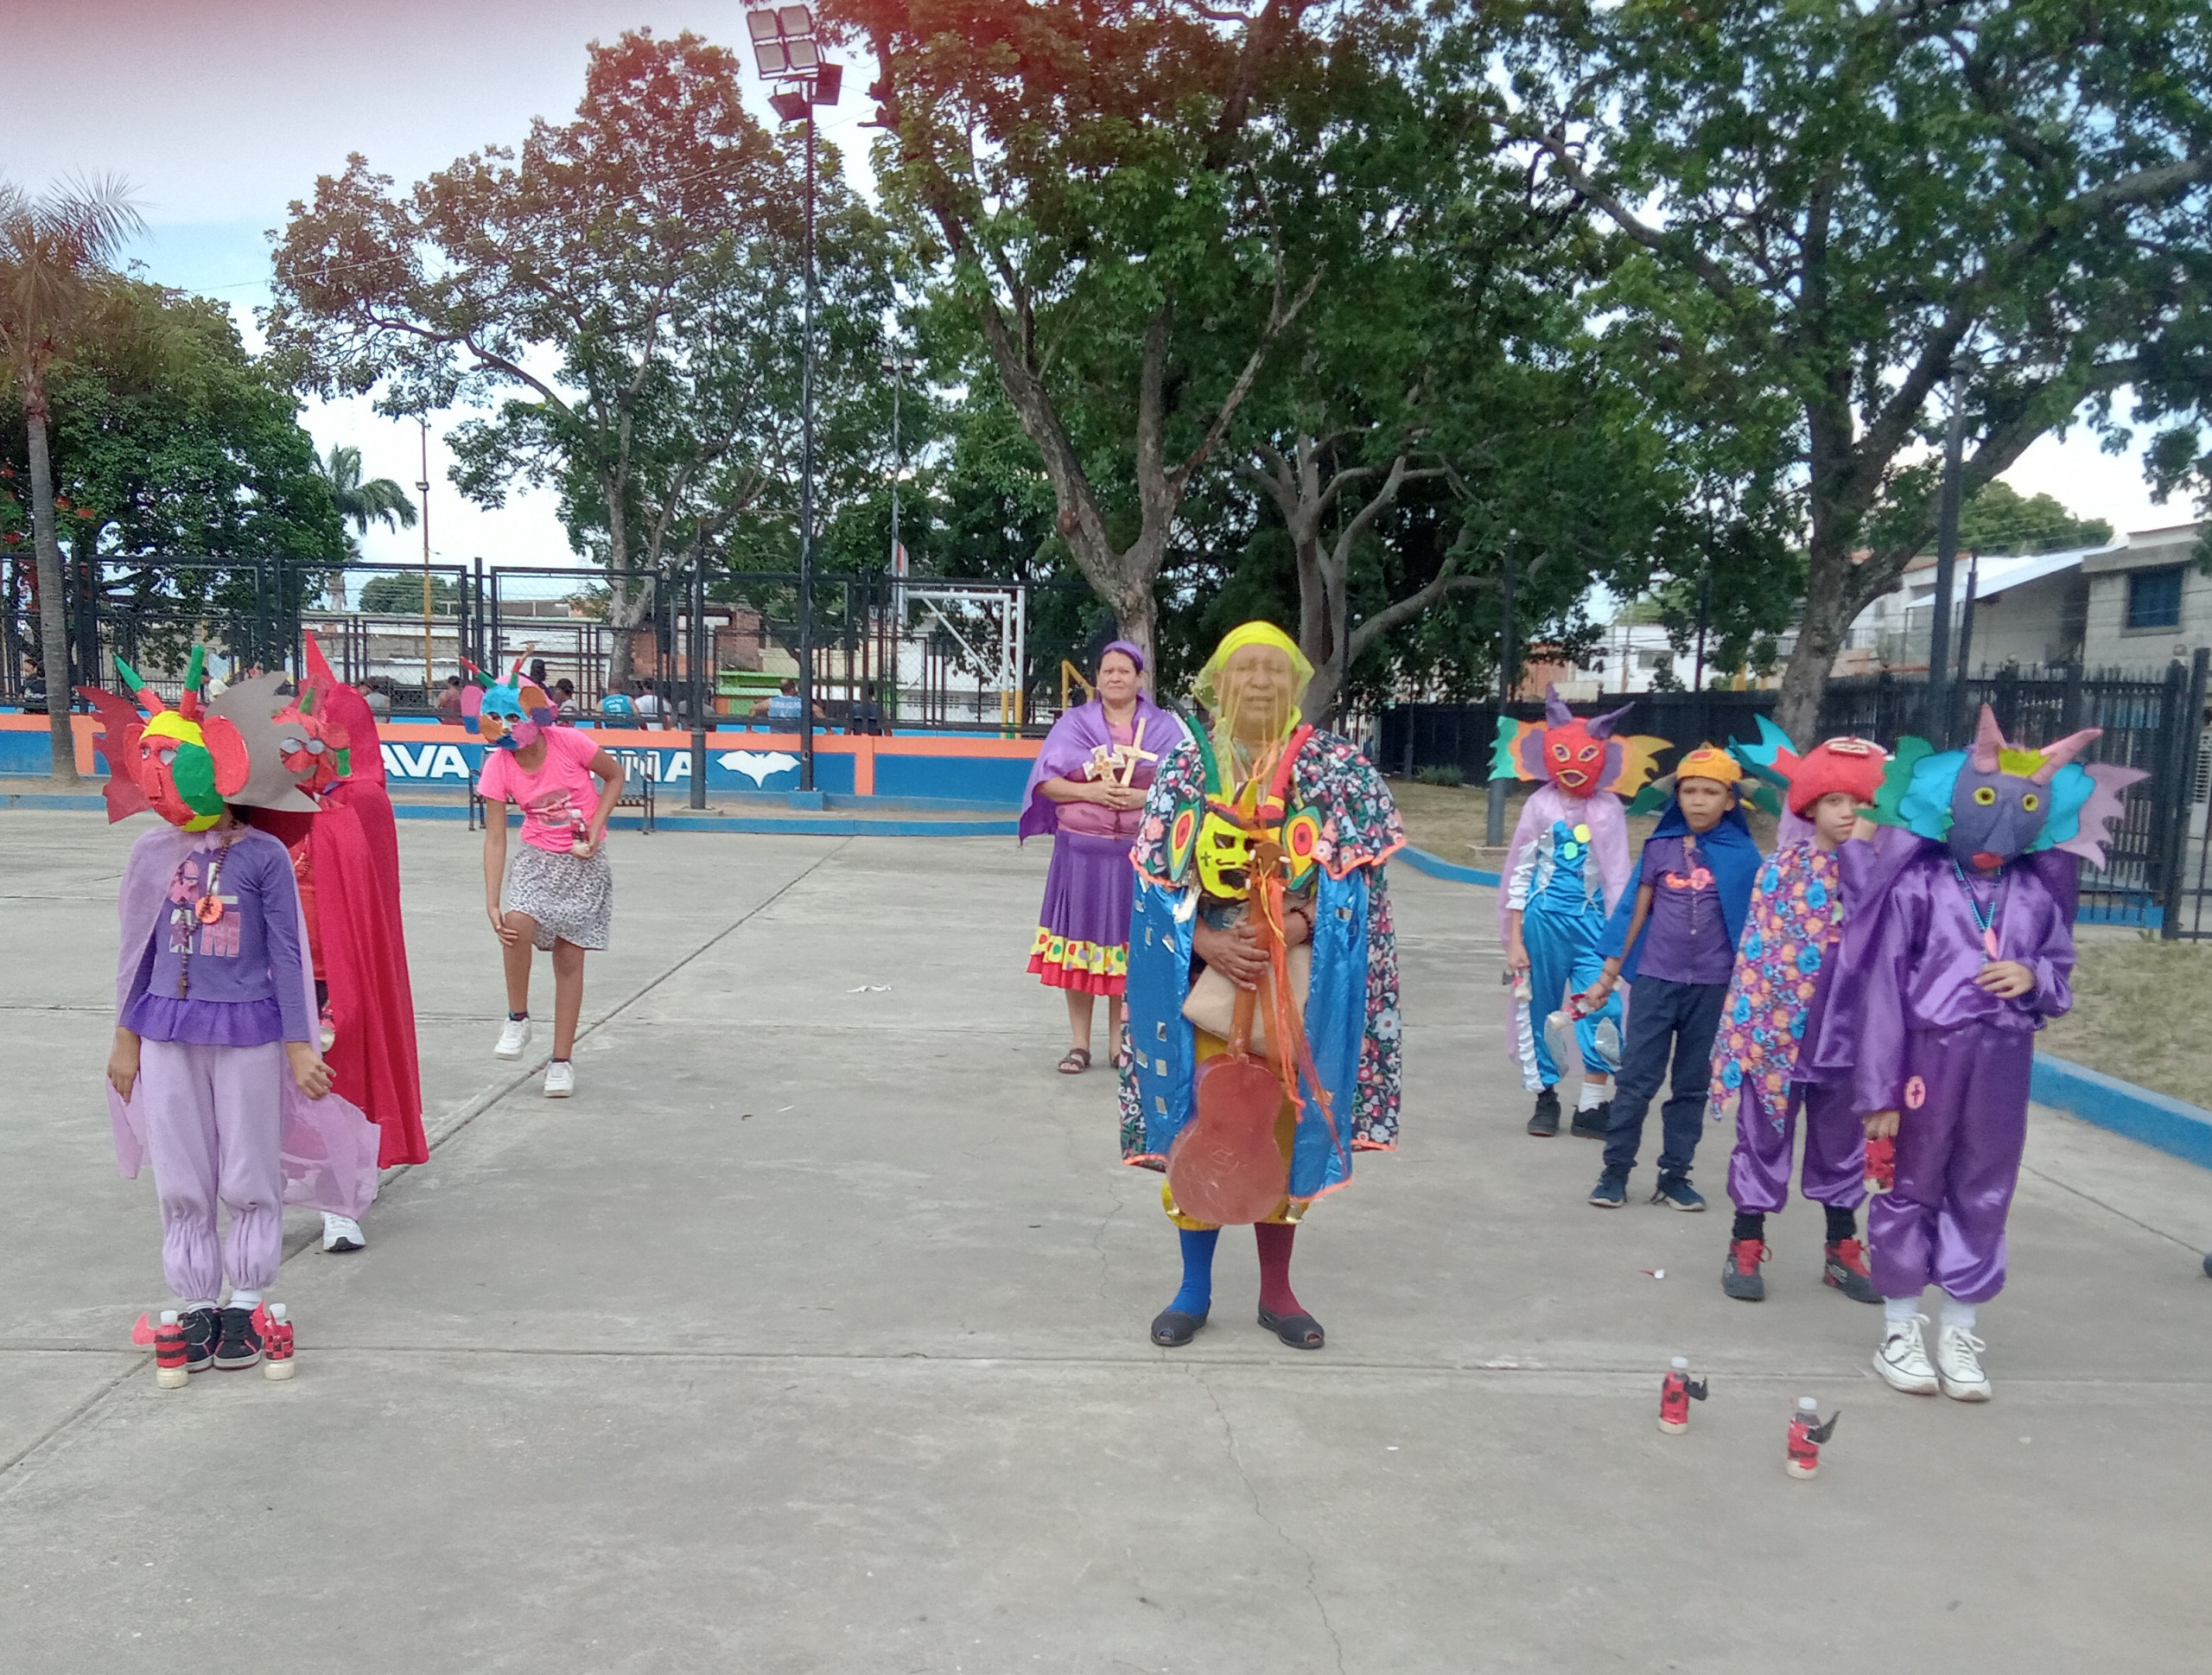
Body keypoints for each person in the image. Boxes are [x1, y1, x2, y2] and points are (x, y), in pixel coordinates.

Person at [1825, 707, 2139, 1401]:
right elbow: (1879, 991)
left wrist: (2035, 980)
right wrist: (1877, 1091)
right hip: (1925, 1061)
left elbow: (2060, 971)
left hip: (2003, 1058)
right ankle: (1901, 1329)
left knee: (1984, 1185)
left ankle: (1960, 1329)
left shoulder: (2034, 894)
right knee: (1912, 1184)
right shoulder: (1918, 886)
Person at [84, 653, 379, 1373]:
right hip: (165, 1032)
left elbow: (287, 952)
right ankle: (194, 1303)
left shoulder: (264, 857)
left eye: (169, 759)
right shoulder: (153, 854)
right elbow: (137, 954)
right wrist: (125, 1037)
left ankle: (245, 1301)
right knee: (181, 1173)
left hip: (247, 1028)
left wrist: (300, 1044)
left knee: (248, 1169)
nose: (156, 774)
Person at [1122, 622, 1403, 1351]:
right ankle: (1193, 1289)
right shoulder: (1185, 769)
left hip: (1296, 992)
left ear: (1295, 684)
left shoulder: (1337, 771)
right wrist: (1208, 941)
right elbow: (1155, 886)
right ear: (1219, 684)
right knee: (1204, 1126)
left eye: (1273, 672)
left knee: (1283, 1132)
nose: (1257, 683)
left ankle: (1278, 1294)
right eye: (1242, 670)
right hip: (1205, 992)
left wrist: (1301, 925)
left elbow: (1361, 886)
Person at [253, 633, 429, 1251]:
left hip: (334, 971)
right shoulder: (258, 813)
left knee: (333, 1076)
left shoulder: (359, 806)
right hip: (268, 972)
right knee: (267, 1077)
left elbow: (375, 907)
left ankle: (337, 1196)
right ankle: (269, 1186)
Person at [1708, 723, 1891, 1302]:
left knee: (1843, 1145)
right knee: (1761, 1140)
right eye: (1835, 801)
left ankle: (1841, 1247)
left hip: (1850, 1040)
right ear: (1811, 805)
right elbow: (1755, 957)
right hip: (1779, 1039)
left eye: (1861, 803)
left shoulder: (1887, 874)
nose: (1847, 813)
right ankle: (1746, 1240)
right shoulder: (1782, 869)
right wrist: (1745, 1030)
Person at [1581, 743, 1762, 1210]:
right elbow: (1631, 916)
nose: (1698, 800)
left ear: (1730, 799)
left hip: (1713, 987)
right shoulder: (1660, 848)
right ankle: (1615, 1171)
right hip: (1656, 982)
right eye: (1689, 791)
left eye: (1710, 791)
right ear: (1676, 797)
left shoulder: (1743, 855)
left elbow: (1755, 925)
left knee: (1691, 1086)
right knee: (1637, 1079)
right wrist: (1607, 976)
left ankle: (1675, 1175)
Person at [1492, 687, 1667, 1137]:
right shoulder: (1539, 804)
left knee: (1601, 1007)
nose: (1573, 764)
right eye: (1564, 754)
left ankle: (1593, 1104)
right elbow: (1518, 873)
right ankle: (1545, 1098)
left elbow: (1619, 879)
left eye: (1584, 755)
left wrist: (1619, 945)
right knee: (1540, 1007)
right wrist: (1514, 941)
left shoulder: (1609, 810)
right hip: (1542, 921)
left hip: (1596, 927)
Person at [1019, 641, 1185, 1073]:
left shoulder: (1165, 728)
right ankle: (1079, 1045)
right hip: (1081, 857)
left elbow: (1186, 788)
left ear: (1139, 678)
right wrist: (1088, 791)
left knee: (1125, 952)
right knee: (1080, 949)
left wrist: (1142, 796)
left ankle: (1119, 1045)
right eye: (1108, 671)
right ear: (1097, 679)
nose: (1116, 677)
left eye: (1124, 671)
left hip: (1137, 858)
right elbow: (1045, 783)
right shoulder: (1074, 725)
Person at [469, 658, 626, 1099]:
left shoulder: (568, 742)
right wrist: (492, 899)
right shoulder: (498, 765)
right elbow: (496, 837)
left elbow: (614, 776)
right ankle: (517, 1017)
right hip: (536, 859)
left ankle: (561, 1062)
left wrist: (596, 830)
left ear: (534, 713)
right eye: (494, 718)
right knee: (516, 925)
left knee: (570, 960)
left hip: (583, 864)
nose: (505, 728)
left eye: (512, 716)